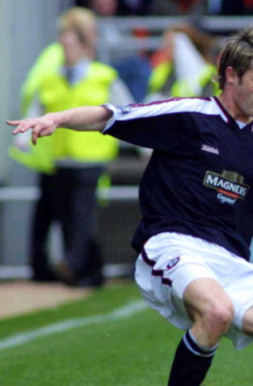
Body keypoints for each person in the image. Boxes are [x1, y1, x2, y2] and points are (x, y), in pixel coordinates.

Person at [7, 27, 253, 386]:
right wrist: (58, 118)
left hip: (231, 260)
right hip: (175, 244)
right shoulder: (189, 116)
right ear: (231, 75)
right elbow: (111, 116)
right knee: (216, 312)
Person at [10, 7, 133, 285]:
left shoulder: (102, 75)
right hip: (61, 157)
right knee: (70, 218)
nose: (66, 50)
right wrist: (24, 134)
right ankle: (91, 272)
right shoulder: (51, 77)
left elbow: (125, 109)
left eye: (71, 44)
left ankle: (73, 264)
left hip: (90, 157)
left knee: (81, 215)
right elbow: (38, 105)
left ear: (83, 45)